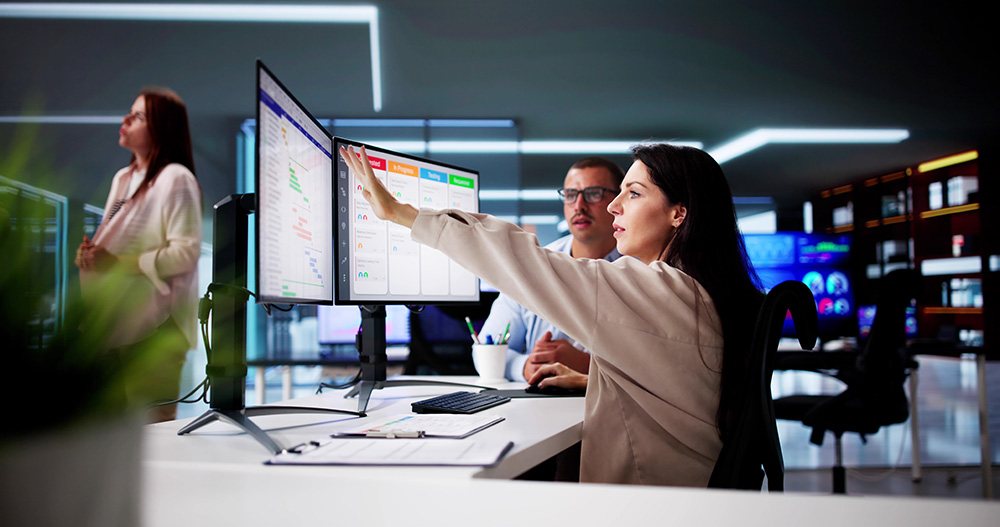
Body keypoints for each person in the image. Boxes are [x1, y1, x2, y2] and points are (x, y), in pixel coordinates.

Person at [340, 141, 763, 487]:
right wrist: (592, 374)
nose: (614, 206)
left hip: (649, 505)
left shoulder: (656, 290)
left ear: (679, 214)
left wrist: (402, 213)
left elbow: (524, 261)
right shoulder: (697, 292)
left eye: (632, 193)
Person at [75, 87, 202, 423]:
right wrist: (91, 255)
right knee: (110, 439)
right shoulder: (125, 178)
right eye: (128, 112)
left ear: (162, 128)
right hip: (116, 326)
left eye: (138, 116)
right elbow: (116, 236)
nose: (125, 120)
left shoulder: (176, 178)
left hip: (156, 328)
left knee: (155, 436)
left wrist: (117, 263)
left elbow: (186, 252)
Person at [479, 157, 623, 381]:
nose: (579, 205)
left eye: (594, 193)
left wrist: (589, 365)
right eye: (571, 195)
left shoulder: (642, 269)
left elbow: (661, 365)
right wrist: (526, 366)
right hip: (543, 399)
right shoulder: (534, 263)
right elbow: (487, 348)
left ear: (618, 201)